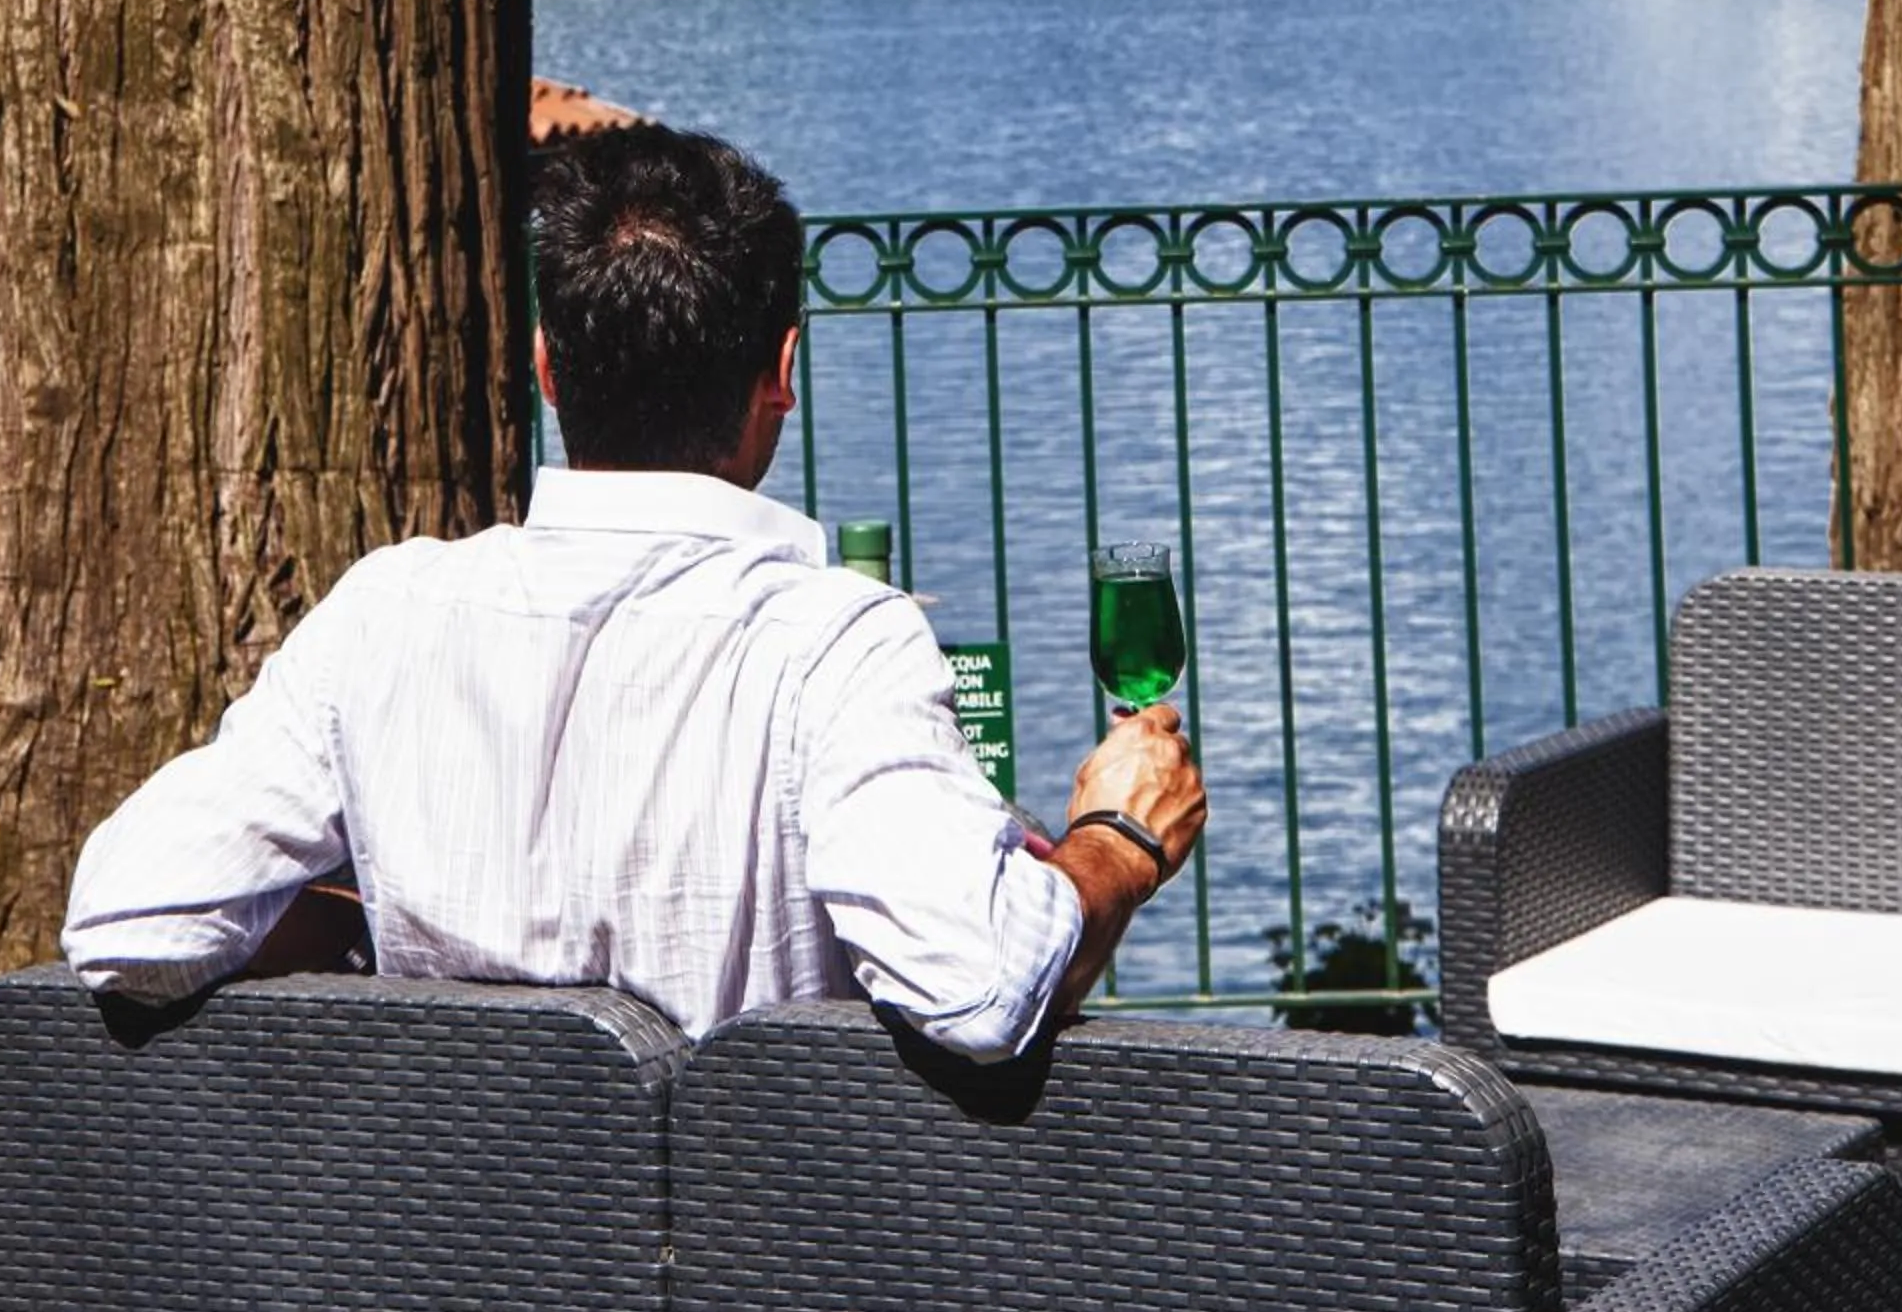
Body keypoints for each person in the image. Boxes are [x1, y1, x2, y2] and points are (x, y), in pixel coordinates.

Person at [63, 122, 1206, 1057]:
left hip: (436, 1291)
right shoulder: (833, 642)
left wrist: (388, 943)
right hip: (748, 1302)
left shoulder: (387, 613)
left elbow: (129, 919)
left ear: (548, 368)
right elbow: (979, 987)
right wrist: (1117, 840)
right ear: (784, 373)